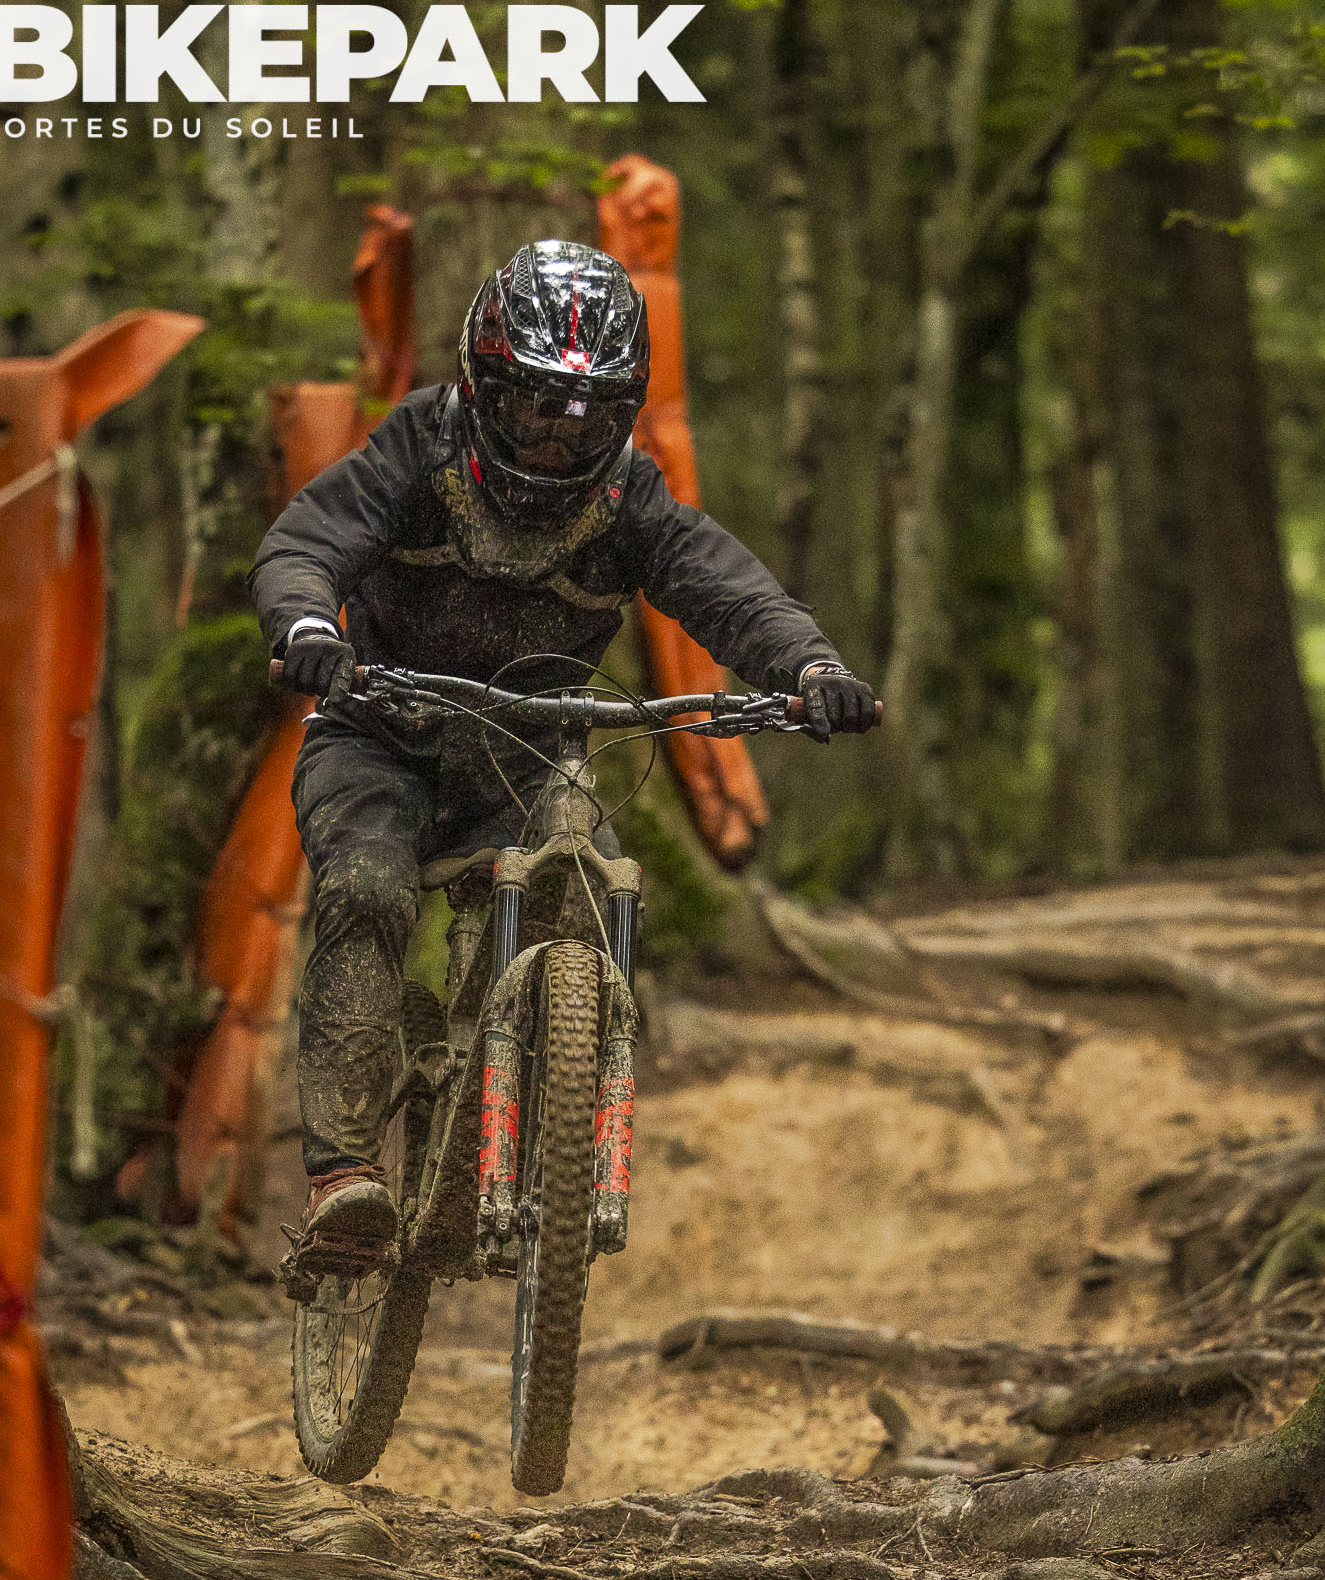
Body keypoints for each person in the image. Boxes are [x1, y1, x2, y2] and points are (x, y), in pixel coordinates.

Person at [247, 237, 879, 1292]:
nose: (558, 440)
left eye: (588, 417)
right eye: (538, 408)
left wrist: (810, 667)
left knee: (591, 891)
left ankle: (550, 1121)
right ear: (483, 386)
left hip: (532, 750)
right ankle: (342, 1179)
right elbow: (306, 542)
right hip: (380, 736)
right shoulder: (416, 449)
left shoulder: (630, 499)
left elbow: (727, 589)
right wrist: (309, 624)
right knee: (364, 889)